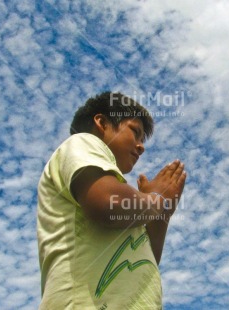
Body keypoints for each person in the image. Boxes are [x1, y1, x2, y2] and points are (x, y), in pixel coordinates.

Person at [37, 91, 186, 309]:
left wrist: (161, 215)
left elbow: (144, 258)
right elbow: (109, 202)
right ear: (102, 123)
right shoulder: (82, 142)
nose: (141, 146)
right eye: (135, 132)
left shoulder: (120, 192)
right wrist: (156, 199)